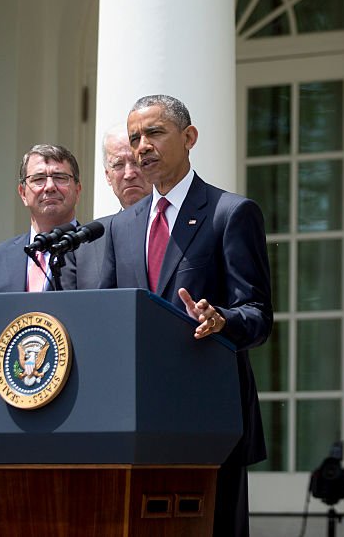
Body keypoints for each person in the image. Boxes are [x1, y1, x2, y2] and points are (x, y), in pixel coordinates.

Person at [101, 94, 272, 537]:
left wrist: (222, 322)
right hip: (136, 420)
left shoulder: (230, 213)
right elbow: (109, 318)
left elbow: (257, 314)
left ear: (189, 137)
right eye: (136, 137)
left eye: (155, 133)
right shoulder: (120, 227)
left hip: (208, 416)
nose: (142, 146)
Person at [0, 144, 82, 293]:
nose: (50, 186)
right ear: (23, 193)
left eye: (60, 178)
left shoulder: (98, 253)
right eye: (39, 179)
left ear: (77, 190)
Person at [69, 125, 151, 289]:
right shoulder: (85, 242)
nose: (129, 174)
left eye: (135, 162)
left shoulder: (171, 226)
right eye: (118, 165)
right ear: (108, 176)